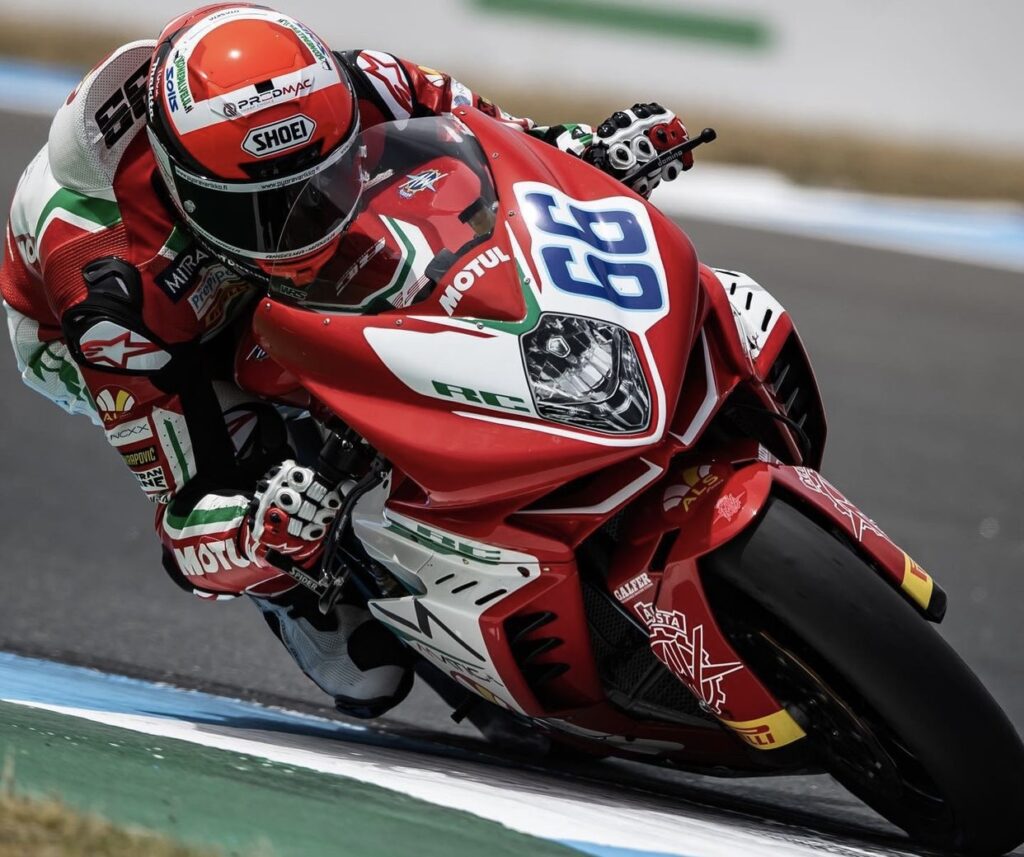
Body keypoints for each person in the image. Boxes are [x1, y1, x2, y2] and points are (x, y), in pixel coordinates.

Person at [0, 4, 694, 723]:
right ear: (187, 189)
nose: (301, 220)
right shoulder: (108, 291)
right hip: (137, 334)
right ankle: (293, 596)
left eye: (321, 181)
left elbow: (507, 144)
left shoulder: (358, 83)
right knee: (361, 664)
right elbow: (185, 520)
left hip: (233, 259)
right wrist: (258, 527)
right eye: (263, 207)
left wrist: (588, 150)